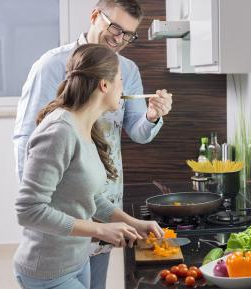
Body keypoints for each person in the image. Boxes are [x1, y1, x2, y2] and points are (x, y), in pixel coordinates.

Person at [13, 1, 172, 288]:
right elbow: (29, 150)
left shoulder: (92, 120)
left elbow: (136, 134)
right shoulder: (52, 76)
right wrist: (43, 199)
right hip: (57, 229)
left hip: (96, 205)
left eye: (128, 35)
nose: (120, 39)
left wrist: (151, 115)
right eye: (115, 28)